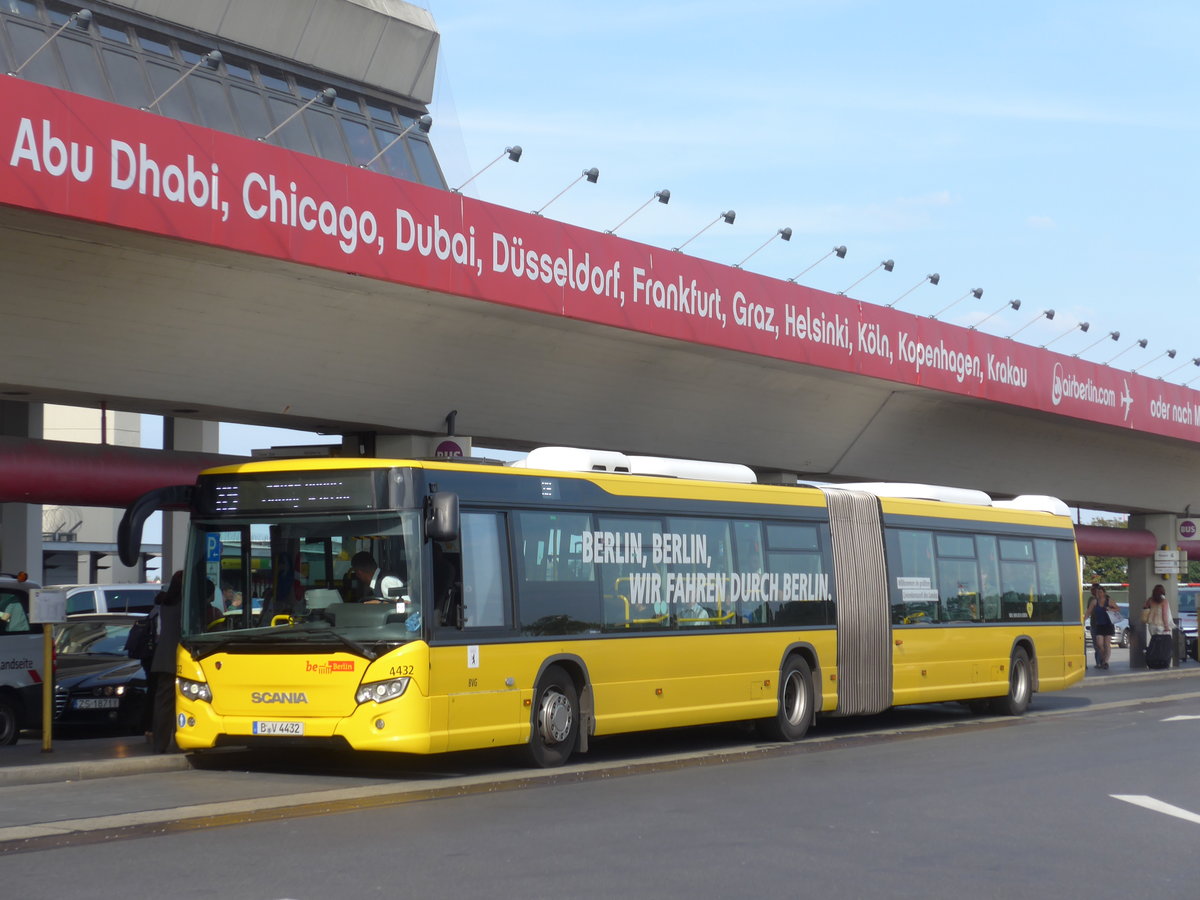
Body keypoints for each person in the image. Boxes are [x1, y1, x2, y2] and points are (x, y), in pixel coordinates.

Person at [148, 570, 185, 753]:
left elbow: (159, 631)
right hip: (182, 656)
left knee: (163, 703)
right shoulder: (186, 604)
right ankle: (181, 740)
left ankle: (159, 744)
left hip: (162, 657)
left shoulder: (164, 603)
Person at [1084, 583, 1120, 669]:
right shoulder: (1094, 601)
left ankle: (1105, 662)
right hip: (1099, 625)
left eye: (1100, 592)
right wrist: (1083, 620)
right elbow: (1088, 612)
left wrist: (1110, 609)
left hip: (1108, 624)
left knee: (1107, 644)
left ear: (1104, 593)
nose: (1099, 594)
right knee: (1099, 644)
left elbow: (1118, 608)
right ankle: (1104, 658)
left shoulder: (1109, 601)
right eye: (1098, 592)